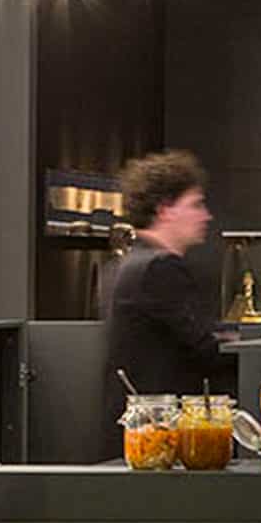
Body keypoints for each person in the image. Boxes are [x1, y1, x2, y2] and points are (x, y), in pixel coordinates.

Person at [105, 151, 235, 423]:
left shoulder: (131, 263)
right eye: (195, 205)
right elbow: (205, 347)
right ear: (165, 210)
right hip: (163, 428)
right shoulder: (159, 267)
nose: (206, 216)